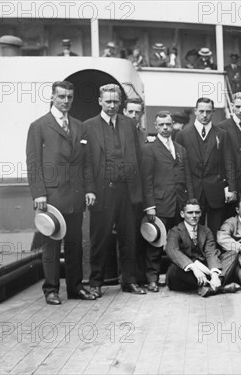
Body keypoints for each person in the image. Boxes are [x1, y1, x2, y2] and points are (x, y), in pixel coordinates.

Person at [26, 81, 96, 304]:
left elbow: (86, 162)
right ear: (53, 97)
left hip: (76, 196)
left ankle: (75, 288)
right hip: (52, 198)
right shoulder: (39, 126)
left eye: (69, 97)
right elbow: (34, 163)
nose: (66, 101)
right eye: (61, 97)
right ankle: (51, 289)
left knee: (75, 244)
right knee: (51, 246)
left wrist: (89, 189)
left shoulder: (79, 126)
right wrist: (39, 194)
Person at [83, 84, 146, 297]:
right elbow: (87, 162)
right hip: (102, 192)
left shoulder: (129, 124)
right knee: (99, 239)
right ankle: (95, 283)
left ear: (121, 103)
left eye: (115, 102)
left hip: (127, 191)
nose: (112, 105)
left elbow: (137, 157)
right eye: (108, 101)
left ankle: (129, 281)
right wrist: (89, 190)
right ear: (100, 101)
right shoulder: (88, 126)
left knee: (129, 238)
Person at [141, 111, 192, 292]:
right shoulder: (149, 149)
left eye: (168, 124)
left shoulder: (180, 149)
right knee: (155, 243)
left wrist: (190, 203)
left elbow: (187, 178)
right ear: (156, 126)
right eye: (161, 125)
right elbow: (146, 180)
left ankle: (175, 277)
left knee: (178, 243)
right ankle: (152, 279)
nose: (165, 128)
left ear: (172, 125)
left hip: (179, 204)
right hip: (160, 204)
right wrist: (150, 206)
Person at [175, 97, 235, 235]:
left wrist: (231, 188)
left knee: (216, 230)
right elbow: (178, 167)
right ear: (195, 111)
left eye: (208, 111)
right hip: (192, 191)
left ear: (213, 112)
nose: (204, 115)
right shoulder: (182, 135)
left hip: (216, 190)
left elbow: (229, 162)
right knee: (193, 230)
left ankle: (214, 255)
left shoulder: (222, 134)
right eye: (201, 111)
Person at [166, 199, 240, 297]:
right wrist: (193, 268)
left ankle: (212, 285)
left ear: (201, 213)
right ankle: (220, 288)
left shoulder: (206, 231)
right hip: (187, 274)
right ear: (182, 214)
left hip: (205, 270)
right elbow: (172, 251)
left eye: (197, 212)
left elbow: (210, 252)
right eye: (190, 213)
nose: (194, 216)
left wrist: (214, 274)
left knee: (232, 254)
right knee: (174, 269)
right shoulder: (175, 231)